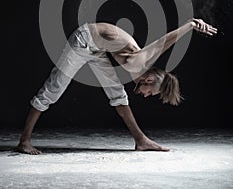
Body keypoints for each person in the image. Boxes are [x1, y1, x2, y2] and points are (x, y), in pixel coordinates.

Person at [16, 18, 217, 154]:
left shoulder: (141, 65)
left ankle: (141, 140)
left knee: (118, 95)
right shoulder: (140, 63)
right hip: (83, 41)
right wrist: (190, 25)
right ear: (149, 80)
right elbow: (164, 42)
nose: (146, 96)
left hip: (98, 49)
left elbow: (159, 47)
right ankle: (24, 141)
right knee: (54, 89)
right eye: (151, 92)